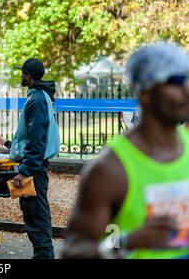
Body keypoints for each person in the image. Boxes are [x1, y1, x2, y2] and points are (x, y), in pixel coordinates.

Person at [61, 42, 189, 259]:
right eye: (175, 81)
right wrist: (126, 242)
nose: (187, 89)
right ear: (145, 93)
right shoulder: (109, 170)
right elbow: (72, 251)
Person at [10, 58, 60, 259]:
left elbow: (36, 137)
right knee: (37, 211)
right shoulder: (42, 96)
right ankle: (43, 254)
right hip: (36, 164)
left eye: (23, 73)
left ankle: (43, 255)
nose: (21, 76)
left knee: (34, 212)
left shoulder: (37, 99)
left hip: (34, 166)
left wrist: (25, 170)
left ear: (28, 76)